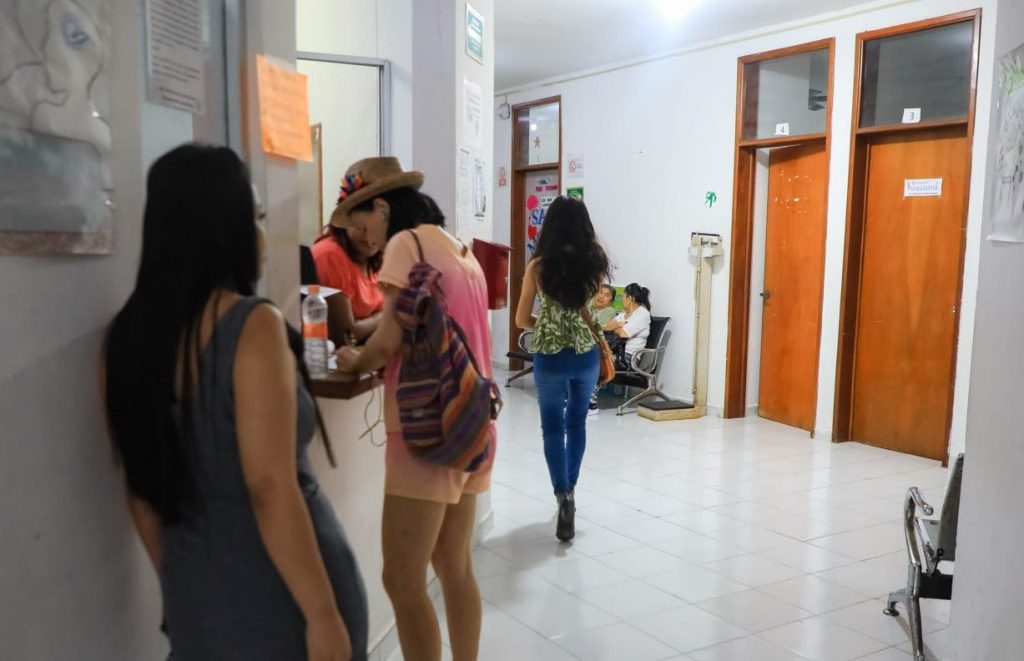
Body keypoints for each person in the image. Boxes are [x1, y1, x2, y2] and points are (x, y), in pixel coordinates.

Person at [103, 144, 368, 661]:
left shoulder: (123, 341)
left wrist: (182, 592)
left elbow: (141, 495)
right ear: (224, 229)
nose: (262, 233)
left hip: (195, 597)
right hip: (284, 596)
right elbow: (270, 486)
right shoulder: (252, 326)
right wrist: (321, 614)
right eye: (257, 217)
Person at [333, 157, 494, 661]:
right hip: (473, 422)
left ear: (382, 208)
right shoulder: (460, 251)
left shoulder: (405, 244)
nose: (363, 237)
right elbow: (409, 322)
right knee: (454, 566)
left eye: (362, 223)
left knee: (401, 579)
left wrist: (352, 359)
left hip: (427, 432)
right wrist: (367, 332)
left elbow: (386, 344)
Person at [514, 196, 610, 541]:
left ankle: (562, 494)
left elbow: (521, 319)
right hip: (585, 356)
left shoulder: (538, 267)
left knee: (552, 428)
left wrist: (546, 324)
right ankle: (572, 489)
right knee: (577, 423)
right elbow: (588, 311)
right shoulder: (595, 264)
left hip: (550, 358)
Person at [311, 206, 385, 346]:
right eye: (363, 228)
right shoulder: (330, 255)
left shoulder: (372, 258)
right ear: (345, 222)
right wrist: (383, 317)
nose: (370, 237)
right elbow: (345, 336)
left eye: (378, 230)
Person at [607, 282, 652, 370]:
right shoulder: (622, 314)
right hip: (613, 352)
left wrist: (615, 327)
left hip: (628, 357)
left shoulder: (642, 313)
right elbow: (607, 327)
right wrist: (618, 327)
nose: (621, 300)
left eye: (623, 297)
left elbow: (624, 334)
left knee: (595, 364)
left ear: (630, 298)